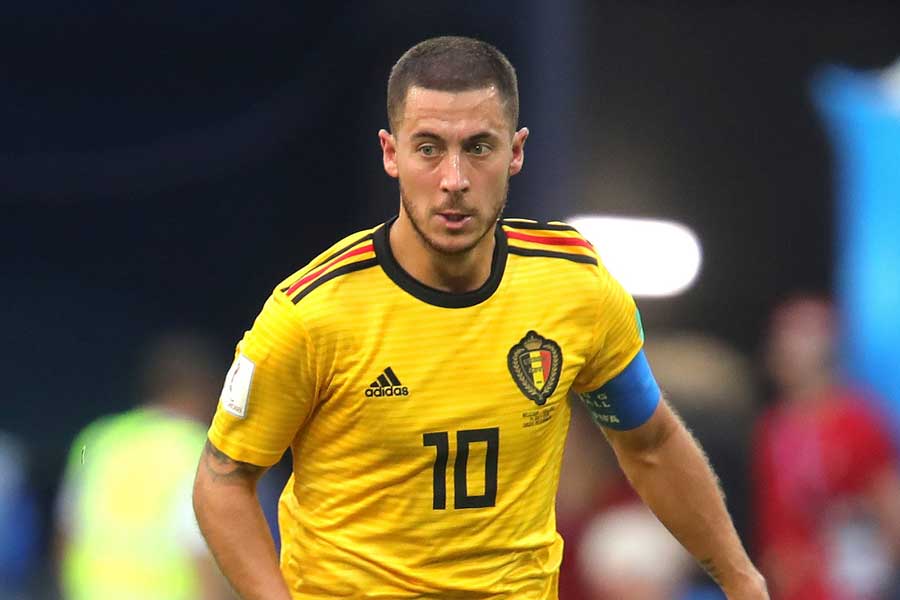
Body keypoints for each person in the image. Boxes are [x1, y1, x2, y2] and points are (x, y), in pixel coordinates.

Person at [192, 36, 768, 599]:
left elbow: (651, 443)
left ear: (515, 152)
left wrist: (743, 581)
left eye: (478, 147)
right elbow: (222, 482)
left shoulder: (576, 288)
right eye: (428, 148)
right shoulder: (311, 314)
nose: (454, 180)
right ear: (391, 153)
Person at [56, 333, 231, 600]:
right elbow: (200, 553)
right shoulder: (196, 449)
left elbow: (66, 533)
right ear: (204, 393)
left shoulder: (98, 438)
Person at [752, 296, 900, 600]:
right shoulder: (771, 427)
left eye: (801, 334)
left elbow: (890, 511)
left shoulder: (859, 422)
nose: (787, 344)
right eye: (782, 333)